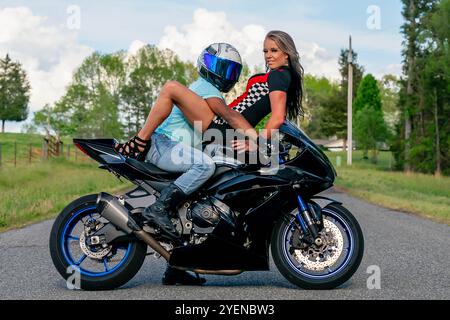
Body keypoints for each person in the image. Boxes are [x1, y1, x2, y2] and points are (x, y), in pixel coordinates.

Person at [117, 30, 305, 284]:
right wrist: (257, 140)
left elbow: (276, 117)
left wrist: (258, 141)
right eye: (265, 51)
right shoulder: (267, 78)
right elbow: (238, 114)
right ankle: (173, 239)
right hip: (223, 130)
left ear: (287, 52)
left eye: (274, 50)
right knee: (213, 179)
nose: (269, 56)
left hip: (225, 130)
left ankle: (183, 261)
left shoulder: (281, 76)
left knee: (236, 186)